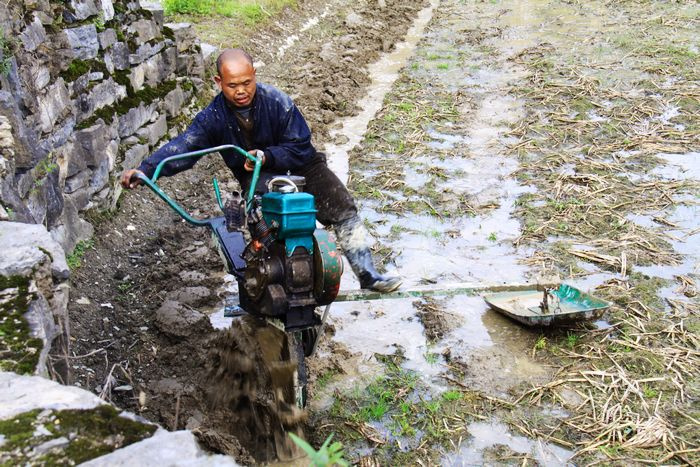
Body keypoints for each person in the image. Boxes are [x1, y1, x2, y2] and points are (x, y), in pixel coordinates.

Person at [121, 48, 401, 293]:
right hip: (257, 177)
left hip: (303, 165)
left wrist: (267, 156)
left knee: (343, 205)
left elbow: (302, 146)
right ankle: (269, 277)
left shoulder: (278, 102)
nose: (241, 91)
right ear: (218, 82)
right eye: (232, 85)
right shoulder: (213, 118)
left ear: (254, 74)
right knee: (261, 217)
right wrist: (147, 170)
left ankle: (367, 274)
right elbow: (185, 146)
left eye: (246, 82)